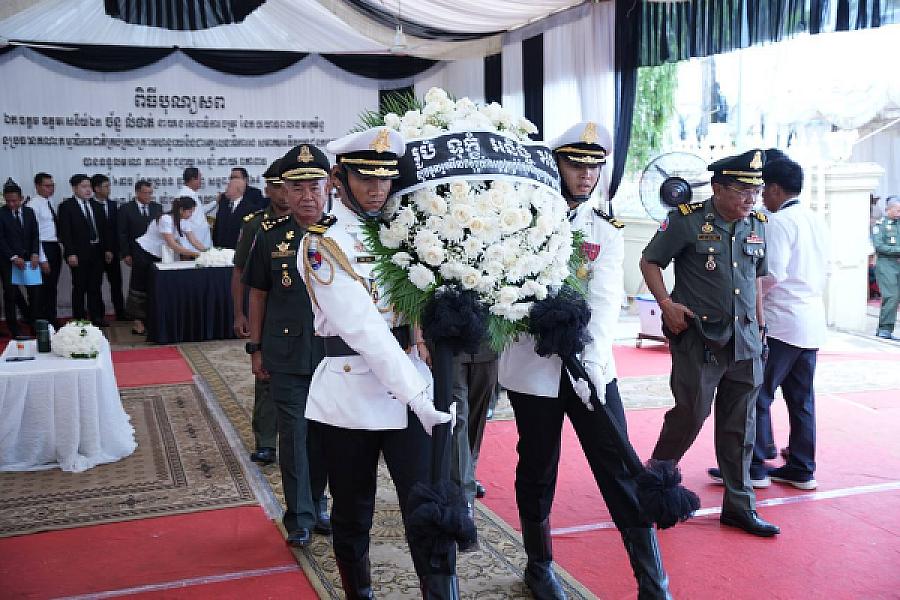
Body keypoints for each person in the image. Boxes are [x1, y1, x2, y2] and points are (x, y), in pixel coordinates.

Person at [499, 122, 672, 599]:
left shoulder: (604, 229)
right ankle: (539, 566)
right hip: (532, 367)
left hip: (590, 370)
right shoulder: (520, 220)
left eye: (595, 167)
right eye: (577, 165)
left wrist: (590, 371)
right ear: (555, 164)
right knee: (537, 465)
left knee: (618, 466)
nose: (587, 175)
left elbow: (604, 299)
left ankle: (653, 582)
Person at [300, 128, 452, 598]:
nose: (376, 189)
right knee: (353, 511)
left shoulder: (402, 231)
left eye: (385, 179)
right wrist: (418, 397)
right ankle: (359, 593)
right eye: (365, 178)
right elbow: (367, 331)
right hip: (352, 397)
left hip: (411, 386)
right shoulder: (323, 243)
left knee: (428, 502)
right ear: (339, 178)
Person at [640, 149, 780, 537]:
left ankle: (739, 506)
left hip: (746, 342)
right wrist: (666, 304)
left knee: (741, 428)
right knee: (690, 414)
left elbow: (754, 282)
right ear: (717, 187)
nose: (750, 198)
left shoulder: (758, 224)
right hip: (700, 338)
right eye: (741, 190)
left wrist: (762, 330)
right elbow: (650, 261)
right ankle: (654, 488)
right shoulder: (686, 221)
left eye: (755, 190)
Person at [244, 146, 334, 547]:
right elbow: (258, 293)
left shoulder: (344, 234)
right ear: (284, 190)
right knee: (294, 436)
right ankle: (299, 516)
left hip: (336, 358)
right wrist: (255, 348)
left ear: (329, 187)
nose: (306, 196)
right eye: (297, 188)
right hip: (285, 355)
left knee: (327, 436)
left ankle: (318, 502)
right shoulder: (271, 237)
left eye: (314, 187)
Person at [734, 155, 827, 491]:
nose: (759, 197)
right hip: (811, 320)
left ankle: (755, 466)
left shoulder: (778, 222)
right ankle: (802, 467)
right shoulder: (814, 218)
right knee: (802, 399)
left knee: (757, 393)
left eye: (761, 189)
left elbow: (772, 273)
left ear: (774, 188)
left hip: (782, 320)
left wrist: (745, 297)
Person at [233, 160, 287, 465]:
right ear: (267, 189)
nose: (282, 193)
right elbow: (240, 271)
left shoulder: (311, 221)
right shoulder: (255, 224)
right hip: (266, 310)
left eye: (286, 186)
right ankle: (266, 441)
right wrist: (239, 314)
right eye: (276, 186)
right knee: (266, 377)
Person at [57, 174, 109, 327]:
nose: (88, 190)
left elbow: (103, 230)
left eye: (89, 187)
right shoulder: (66, 207)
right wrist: (70, 252)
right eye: (84, 187)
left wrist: (106, 249)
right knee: (80, 286)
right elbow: (65, 233)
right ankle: (79, 317)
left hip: (96, 252)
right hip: (78, 254)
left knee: (95, 286)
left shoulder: (96, 205)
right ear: (74, 188)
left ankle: (96, 317)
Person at [119, 180, 162, 335]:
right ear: (137, 192)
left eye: (151, 193)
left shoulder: (157, 208)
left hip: (155, 254)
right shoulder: (126, 209)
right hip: (136, 253)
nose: (149, 196)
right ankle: (137, 321)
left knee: (153, 284)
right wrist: (126, 253)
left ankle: (152, 319)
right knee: (138, 286)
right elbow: (122, 233)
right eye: (145, 193)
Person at [0, 179, 41, 337]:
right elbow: (1, 239)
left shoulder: (29, 212)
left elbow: (35, 235)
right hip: (8, 261)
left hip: (30, 259)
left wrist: (35, 253)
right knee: (10, 294)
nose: (11, 204)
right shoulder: (1, 214)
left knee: (34, 293)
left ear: (22, 198)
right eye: (8, 201)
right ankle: (14, 328)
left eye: (14, 201)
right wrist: (13, 256)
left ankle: (34, 325)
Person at [91, 174, 127, 321]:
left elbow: (115, 230)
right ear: (96, 189)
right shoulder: (90, 206)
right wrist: (105, 249)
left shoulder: (113, 205)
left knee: (116, 283)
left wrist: (113, 250)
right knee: (96, 285)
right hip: (97, 253)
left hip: (113, 252)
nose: (109, 189)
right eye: (106, 186)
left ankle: (120, 312)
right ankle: (99, 314)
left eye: (109, 186)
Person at [29, 172, 62, 326]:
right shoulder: (33, 205)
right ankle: (40, 322)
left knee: (52, 287)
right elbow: (35, 234)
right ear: (37, 186)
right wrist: (42, 258)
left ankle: (51, 318)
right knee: (41, 289)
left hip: (54, 246)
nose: (51, 189)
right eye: (47, 186)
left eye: (52, 185)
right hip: (43, 247)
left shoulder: (49, 202)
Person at [136, 196, 206, 262]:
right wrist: (195, 254)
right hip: (145, 251)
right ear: (181, 210)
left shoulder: (184, 221)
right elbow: (172, 244)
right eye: (190, 211)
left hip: (159, 253)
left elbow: (194, 241)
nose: (191, 214)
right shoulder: (166, 219)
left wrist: (208, 252)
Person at [212, 167, 263, 249]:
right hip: (222, 249)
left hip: (239, 250)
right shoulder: (223, 202)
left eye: (229, 187)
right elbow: (217, 225)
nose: (226, 189)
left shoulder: (250, 208)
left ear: (237, 190)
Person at [872, 196, 900, 340]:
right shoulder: (880, 225)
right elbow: (879, 246)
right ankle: (885, 329)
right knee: (891, 296)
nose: (899, 213)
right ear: (888, 209)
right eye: (897, 210)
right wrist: (897, 250)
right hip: (887, 264)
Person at [178, 167, 214, 252]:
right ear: (192, 179)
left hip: (200, 241)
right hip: (192, 244)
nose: (201, 182)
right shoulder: (184, 196)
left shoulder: (192, 194)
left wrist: (215, 202)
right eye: (199, 179)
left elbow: (200, 212)